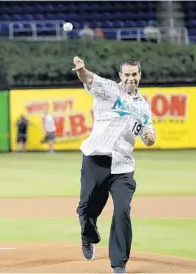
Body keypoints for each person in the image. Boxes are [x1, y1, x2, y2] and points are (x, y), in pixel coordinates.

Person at [72, 56, 155, 273]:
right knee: (87, 208)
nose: (130, 78)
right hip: (96, 159)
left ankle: (119, 263)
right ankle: (88, 234)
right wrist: (81, 70)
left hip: (124, 166)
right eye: (126, 74)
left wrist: (149, 137)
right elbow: (88, 79)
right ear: (120, 76)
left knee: (122, 212)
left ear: (139, 75)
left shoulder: (143, 107)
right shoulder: (108, 89)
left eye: (134, 74)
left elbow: (149, 133)